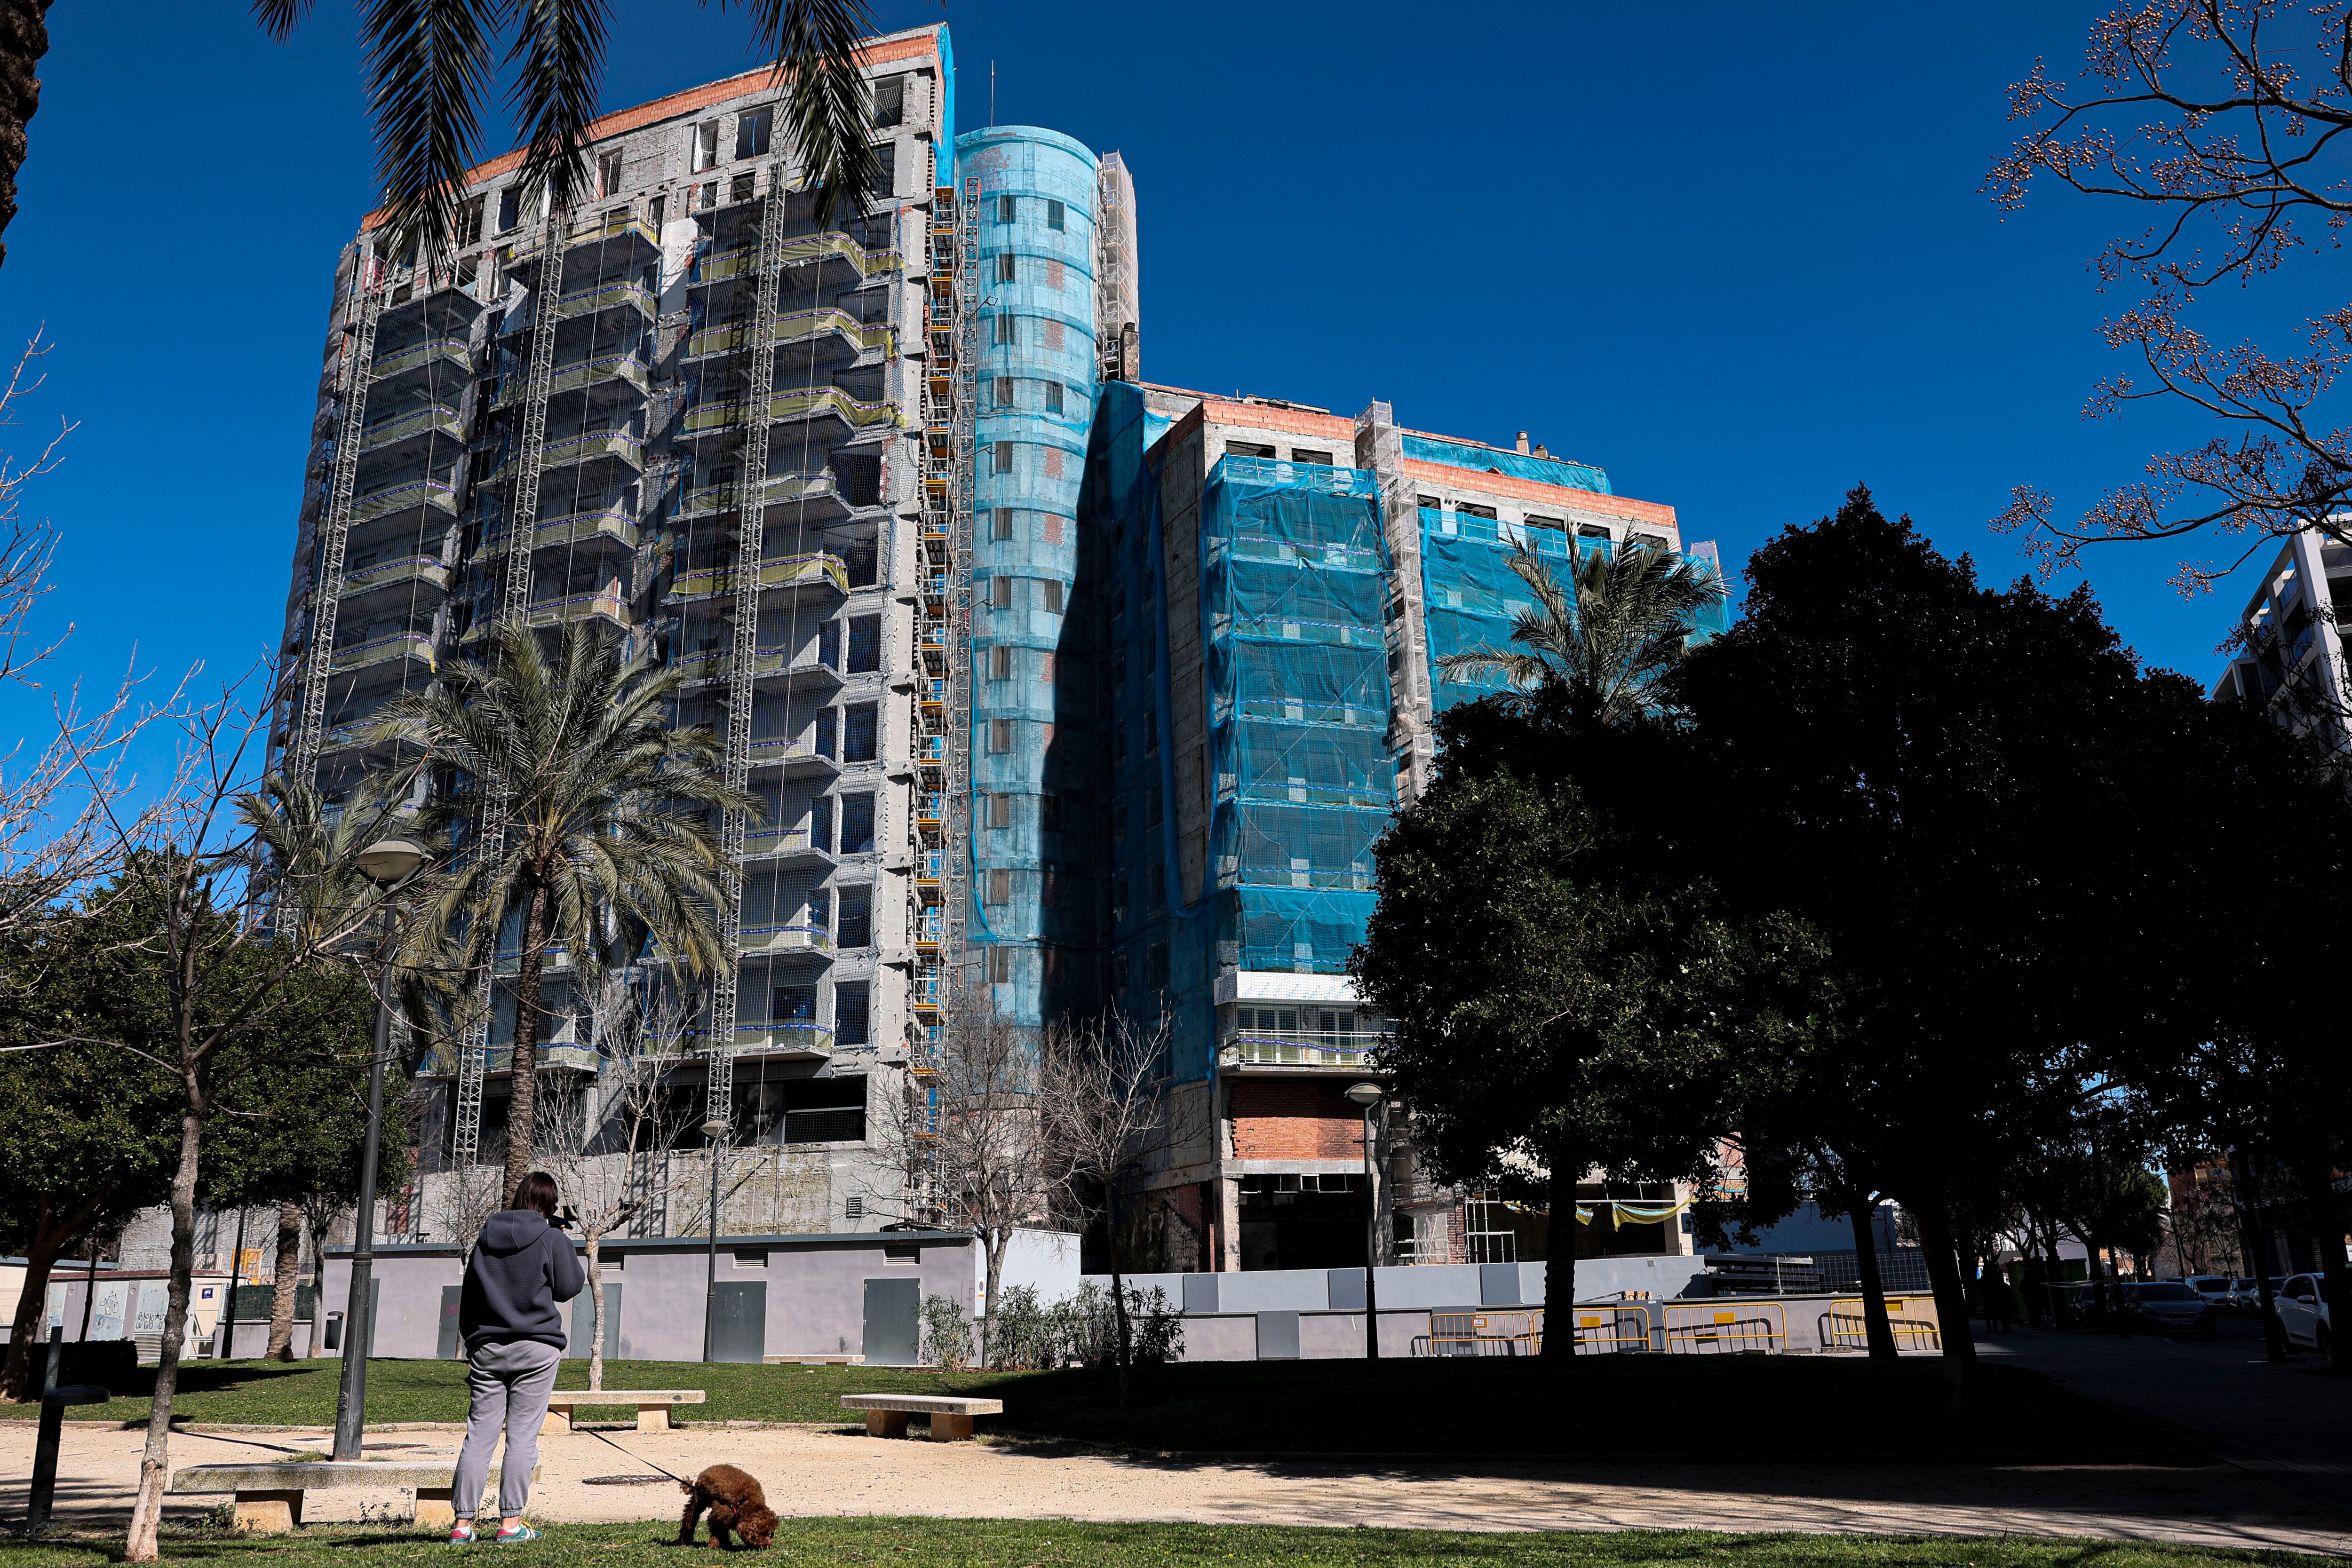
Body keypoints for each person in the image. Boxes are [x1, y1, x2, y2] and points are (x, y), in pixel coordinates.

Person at [448, 1172, 582, 1545]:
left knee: (479, 1436)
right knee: (522, 1437)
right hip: (536, 1349)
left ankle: (462, 1526)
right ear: (550, 1205)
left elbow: (469, 1301)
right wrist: (560, 1241)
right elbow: (569, 1287)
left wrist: (474, 1344)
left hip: (487, 1349)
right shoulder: (552, 1237)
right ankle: (510, 1526)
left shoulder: (483, 1243)